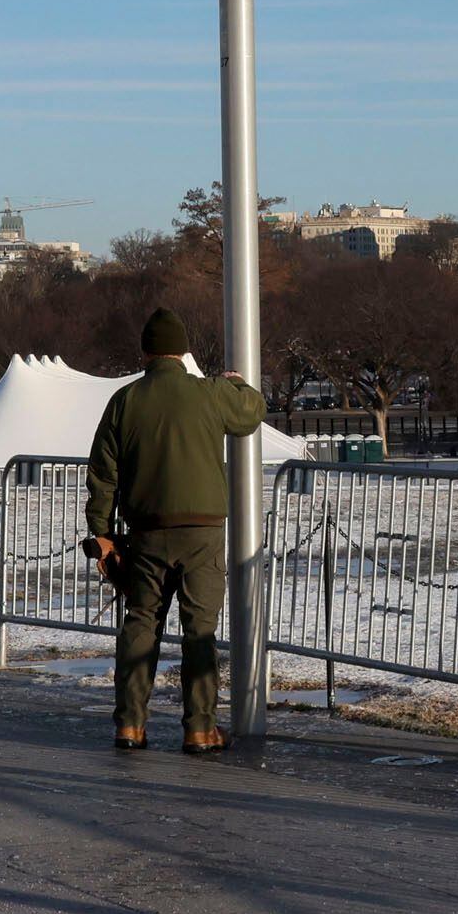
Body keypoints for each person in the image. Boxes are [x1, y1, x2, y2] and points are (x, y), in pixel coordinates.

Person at [82, 308, 267, 756]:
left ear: (145, 351)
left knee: (141, 625)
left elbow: (103, 474)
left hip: (146, 532)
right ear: (183, 352)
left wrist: (102, 533)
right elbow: (251, 413)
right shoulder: (209, 393)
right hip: (203, 531)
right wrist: (236, 383)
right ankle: (200, 729)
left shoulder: (124, 401)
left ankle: (130, 725)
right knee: (199, 631)